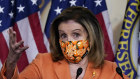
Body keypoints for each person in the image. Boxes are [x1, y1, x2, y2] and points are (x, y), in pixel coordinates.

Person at [0, 6, 129, 79]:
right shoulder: (42, 63)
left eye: (76, 34)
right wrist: (11, 63)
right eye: (63, 35)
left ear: (91, 37)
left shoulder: (112, 71)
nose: (69, 41)